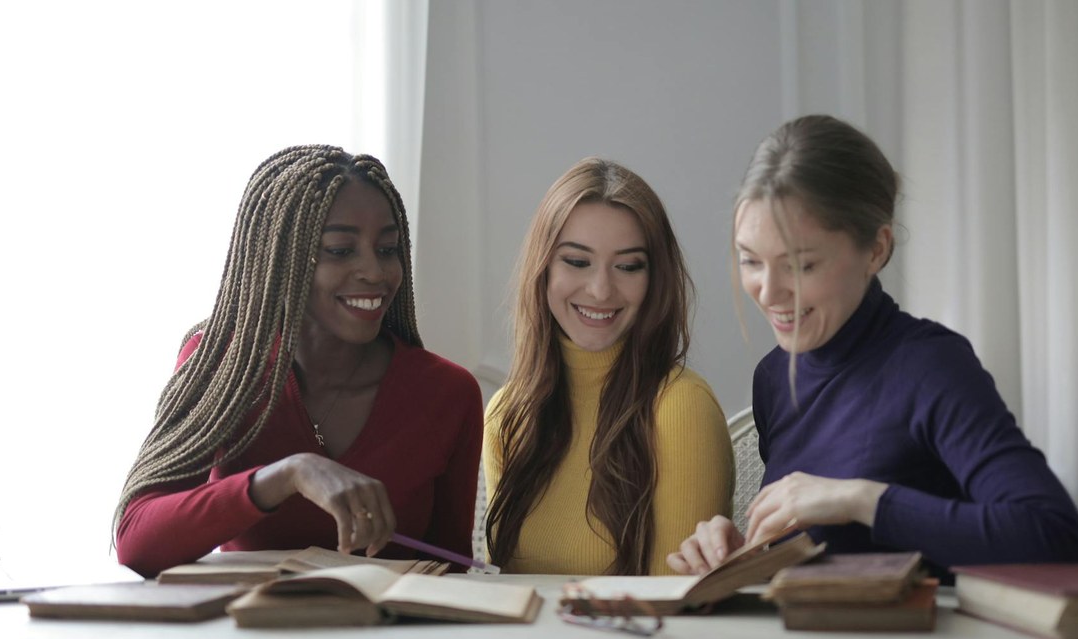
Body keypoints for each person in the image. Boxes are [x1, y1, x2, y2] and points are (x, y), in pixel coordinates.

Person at [668, 115, 1078, 578]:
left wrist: (861, 499)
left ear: (876, 250)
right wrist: (747, 553)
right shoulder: (774, 378)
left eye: (800, 266)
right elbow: (835, 556)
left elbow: (1060, 540)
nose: (769, 293)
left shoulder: (931, 366)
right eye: (751, 261)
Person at [114, 146, 482, 578]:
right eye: (341, 250)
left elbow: (451, 571)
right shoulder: (222, 364)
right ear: (279, 257)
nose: (375, 272)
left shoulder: (447, 393)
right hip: (247, 636)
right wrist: (288, 475)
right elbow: (138, 542)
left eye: (387, 248)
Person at [484, 158, 735, 576]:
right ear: (543, 269)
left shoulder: (680, 407)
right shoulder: (508, 414)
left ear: (654, 278)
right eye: (577, 262)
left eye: (628, 266)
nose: (601, 289)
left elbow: (675, 611)